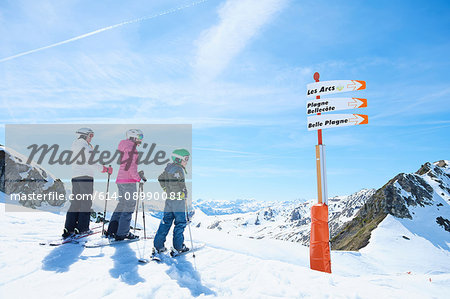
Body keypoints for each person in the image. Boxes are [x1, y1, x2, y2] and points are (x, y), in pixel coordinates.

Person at [63, 128, 113, 238]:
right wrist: (104, 169)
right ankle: (82, 228)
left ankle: (69, 228)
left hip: (75, 177)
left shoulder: (74, 146)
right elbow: (92, 162)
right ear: (84, 135)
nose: (91, 138)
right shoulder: (85, 146)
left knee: (75, 202)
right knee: (85, 203)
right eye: (90, 135)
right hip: (86, 177)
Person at [106, 129, 144, 241]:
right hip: (128, 181)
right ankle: (122, 233)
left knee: (122, 204)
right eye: (140, 137)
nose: (141, 140)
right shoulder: (132, 149)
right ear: (133, 137)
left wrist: (137, 175)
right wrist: (138, 178)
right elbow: (131, 167)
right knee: (129, 206)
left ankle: (112, 230)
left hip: (121, 180)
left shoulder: (126, 147)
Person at [153, 148, 191, 254]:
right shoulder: (178, 169)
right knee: (180, 223)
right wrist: (181, 193)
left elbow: (160, 178)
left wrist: (166, 189)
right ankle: (178, 247)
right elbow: (176, 184)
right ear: (178, 159)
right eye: (186, 159)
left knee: (166, 221)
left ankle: (158, 245)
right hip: (178, 201)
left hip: (169, 200)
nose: (187, 161)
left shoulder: (169, 168)